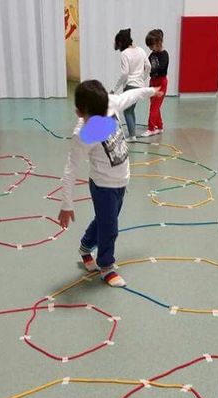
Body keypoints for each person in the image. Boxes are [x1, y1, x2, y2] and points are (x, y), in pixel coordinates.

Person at [57, 80, 163, 287]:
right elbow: (71, 169)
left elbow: (130, 95)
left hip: (121, 182)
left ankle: (86, 247)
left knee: (106, 220)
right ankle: (106, 267)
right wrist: (66, 204)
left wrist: (151, 91)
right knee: (110, 228)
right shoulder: (82, 135)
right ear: (79, 113)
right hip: (103, 186)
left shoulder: (110, 104)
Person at [112, 28, 151, 142]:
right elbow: (148, 66)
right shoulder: (141, 50)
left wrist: (114, 89)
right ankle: (132, 132)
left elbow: (125, 73)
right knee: (131, 109)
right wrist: (142, 78)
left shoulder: (124, 54)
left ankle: (132, 136)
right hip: (140, 86)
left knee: (127, 111)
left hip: (130, 86)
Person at [141, 29, 168, 137]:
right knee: (154, 105)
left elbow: (161, 68)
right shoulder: (152, 54)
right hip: (153, 81)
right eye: (149, 47)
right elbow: (147, 64)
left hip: (161, 82)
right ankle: (159, 126)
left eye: (151, 46)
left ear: (158, 43)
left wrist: (151, 69)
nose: (150, 49)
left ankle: (151, 128)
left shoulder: (164, 55)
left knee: (154, 107)